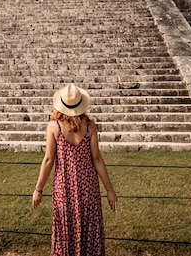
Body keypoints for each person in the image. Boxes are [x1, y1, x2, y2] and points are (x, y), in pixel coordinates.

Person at [32, 83, 118, 256]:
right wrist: (110, 190)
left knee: (65, 231)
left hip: (64, 189)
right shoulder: (90, 127)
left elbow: (49, 160)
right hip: (88, 189)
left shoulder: (54, 127)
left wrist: (38, 189)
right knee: (89, 232)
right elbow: (97, 159)